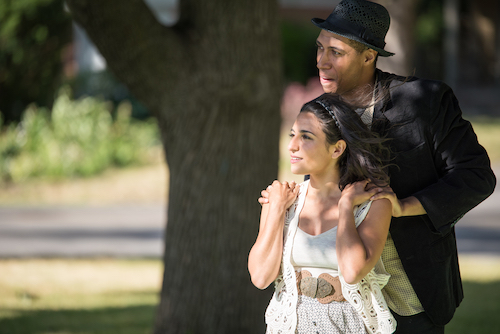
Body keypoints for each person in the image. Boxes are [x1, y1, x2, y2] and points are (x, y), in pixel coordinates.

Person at [258, 0, 496, 333]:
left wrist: (403, 206)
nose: (322, 62)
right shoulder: (319, 110)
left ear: (369, 56)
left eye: (336, 53)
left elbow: (476, 177)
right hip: (341, 306)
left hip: (408, 297)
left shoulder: (425, 101)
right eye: (320, 48)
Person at [249, 93, 397, 334]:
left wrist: (345, 206)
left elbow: (351, 271)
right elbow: (260, 277)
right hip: (288, 326)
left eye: (306, 137)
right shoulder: (281, 200)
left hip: (348, 326)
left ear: (337, 148)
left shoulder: (373, 202)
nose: (292, 145)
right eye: (292, 134)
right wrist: (275, 210)